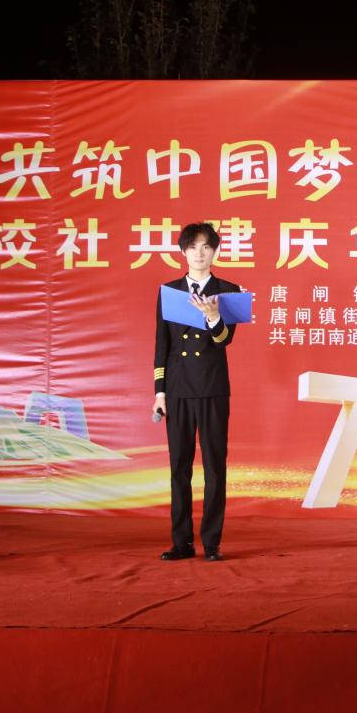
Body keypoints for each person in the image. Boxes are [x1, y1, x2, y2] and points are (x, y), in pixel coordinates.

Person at [152, 222, 239, 562]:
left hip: (213, 387)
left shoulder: (228, 291)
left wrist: (214, 318)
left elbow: (224, 340)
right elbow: (162, 345)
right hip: (178, 390)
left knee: (215, 466)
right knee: (179, 467)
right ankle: (182, 542)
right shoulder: (169, 291)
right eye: (193, 247)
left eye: (206, 247)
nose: (199, 253)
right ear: (183, 252)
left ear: (215, 251)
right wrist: (159, 392)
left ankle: (212, 543)